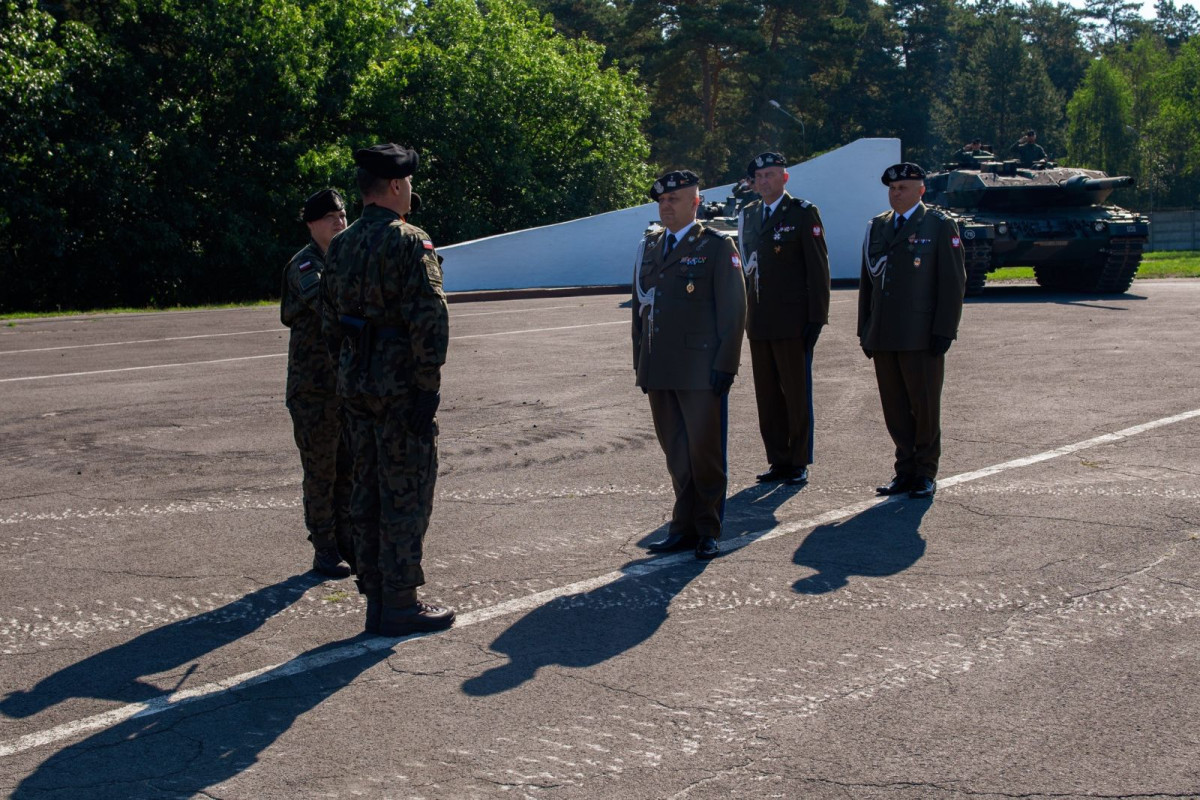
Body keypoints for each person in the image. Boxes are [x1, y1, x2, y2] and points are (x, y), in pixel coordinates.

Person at [321, 143, 454, 636]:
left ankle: (376, 595)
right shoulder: (409, 241)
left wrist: (355, 367)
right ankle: (400, 601)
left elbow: (330, 321)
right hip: (400, 389)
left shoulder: (342, 244)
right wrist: (427, 387)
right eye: (410, 183)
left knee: (366, 489)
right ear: (395, 186)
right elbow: (430, 319)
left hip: (356, 386)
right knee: (406, 491)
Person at [632, 170, 747, 560]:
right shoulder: (651, 246)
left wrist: (726, 364)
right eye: (662, 201)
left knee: (705, 453)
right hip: (660, 366)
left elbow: (733, 310)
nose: (666, 206)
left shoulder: (715, 246)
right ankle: (681, 527)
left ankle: (708, 529)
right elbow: (642, 309)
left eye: (674, 199)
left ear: (695, 202)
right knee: (677, 454)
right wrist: (641, 363)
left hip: (701, 369)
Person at [857, 162, 966, 499]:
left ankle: (925, 471)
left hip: (921, 334)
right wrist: (865, 329)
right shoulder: (878, 226)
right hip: (885, 333)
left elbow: (952, 281)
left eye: (903, 188)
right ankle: (904, 469)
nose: (896, 193)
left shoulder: (937, 224)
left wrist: (945, 329)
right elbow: (868, 283)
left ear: (921, 190)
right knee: (894, 407)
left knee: (924, 405)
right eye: (892, 188)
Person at [737, 152, 830, 488]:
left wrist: (817, 317)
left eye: (771, 175)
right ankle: (777, 459)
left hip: (793, 322)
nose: (764, 182)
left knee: (795, 393)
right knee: (767, 395)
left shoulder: (803, 213)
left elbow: (818, 270)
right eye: (759, 177)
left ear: (785, 178)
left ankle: (798, 460)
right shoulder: (748, 215)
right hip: (759, 320)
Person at [280, 188, 353, 579]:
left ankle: (345, 541)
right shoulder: (305, 266)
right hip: (313, 390)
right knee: (321, 470)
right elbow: (330, 302)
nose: (339, 223)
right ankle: (324, 549)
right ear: (311, 224)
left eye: (342, 216)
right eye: (330, 218)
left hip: (342, 387)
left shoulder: (342, 261)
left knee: (348, 468)